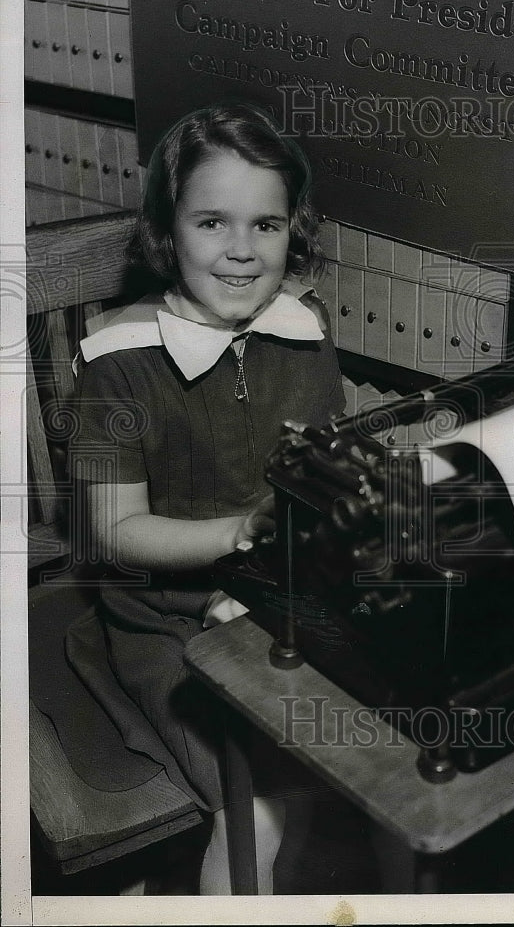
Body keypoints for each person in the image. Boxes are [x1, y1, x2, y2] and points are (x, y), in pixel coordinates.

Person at [66, 101, 345, 894]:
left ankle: (182, 896)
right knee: (255, 807)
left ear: (295, 230)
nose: (240, 252)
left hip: (282, 603)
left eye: (266, 225)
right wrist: (243, 534)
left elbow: (314, 478)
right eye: (212, 222)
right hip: (163, 619)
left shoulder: (306, 329)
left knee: (361, 756)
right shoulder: (118, 361)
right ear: (166, 229)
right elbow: (114, 533)